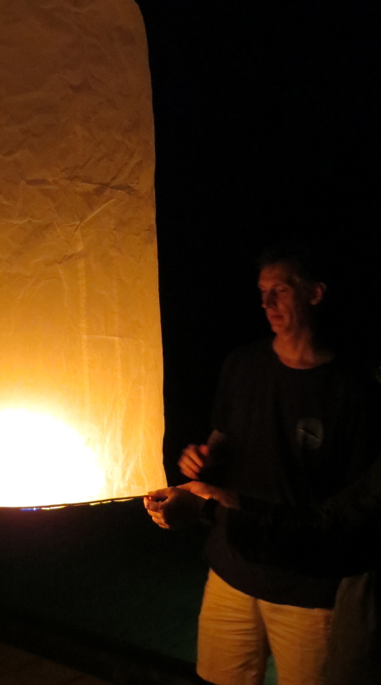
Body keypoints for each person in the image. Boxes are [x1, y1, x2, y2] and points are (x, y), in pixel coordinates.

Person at [166, 248, 378, 685]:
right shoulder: (243, 365)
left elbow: (351, 505)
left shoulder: (351, 390)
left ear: (315, 294)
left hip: (306, 587)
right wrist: (201, 459)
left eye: (279, 291)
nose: (266, 305)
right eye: (262, 293)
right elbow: (221, 440)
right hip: (232, 570)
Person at [145, 449, 381, 685]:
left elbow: (337, 528)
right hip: (232, 568)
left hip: (306, 588)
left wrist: (209, 509)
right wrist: (214, 486)